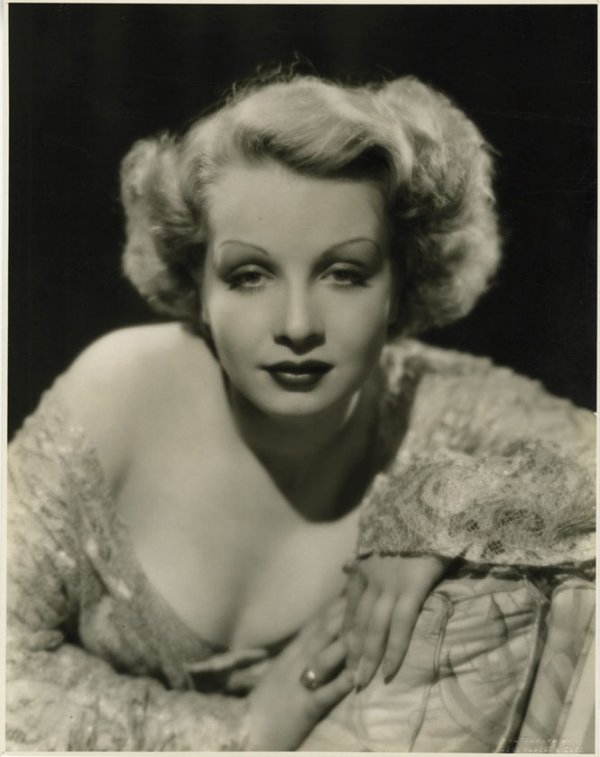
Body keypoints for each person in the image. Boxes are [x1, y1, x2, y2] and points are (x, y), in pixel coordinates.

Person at [6, 72, 594, 752]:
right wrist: (241, 731)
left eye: (344, 273)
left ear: (401, 284)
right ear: (198, 286)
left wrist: (441, 512)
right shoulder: (117, 392)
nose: (296, 325)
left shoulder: (437, 403)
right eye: (249, 275)